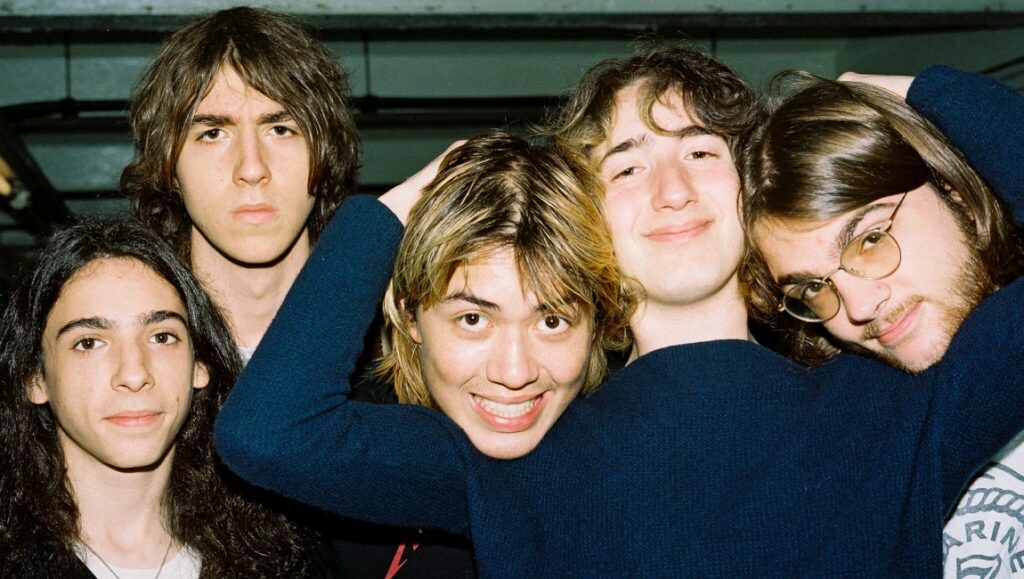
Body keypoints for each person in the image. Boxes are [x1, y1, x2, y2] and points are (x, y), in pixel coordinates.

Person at [216, 68, 1024, 575]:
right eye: (628, 165)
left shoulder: (899, 407)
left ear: (754, 189)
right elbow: (270, 431)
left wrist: (917, 92)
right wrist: (395, 211)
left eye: (702, 153)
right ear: (585, 215)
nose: (670, 190)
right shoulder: (518, 447)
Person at [121, 8, 475, 575]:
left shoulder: (420, 360)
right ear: (168, 164)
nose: (251, 167)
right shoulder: (120, 372)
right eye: (212, 132)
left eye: (281, 128)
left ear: (324, 150)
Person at [740, 66, 1024, 576]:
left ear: (951, 188)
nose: (858, 309)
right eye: (812, 288)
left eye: (869, 239)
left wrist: (932, 93)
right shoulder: (855, 429)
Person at [0, 218, 314, 577]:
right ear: (35, 377)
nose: (134, 374)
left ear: (200, 365)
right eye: (89, 343)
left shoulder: (279, 556)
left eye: (162, 337)